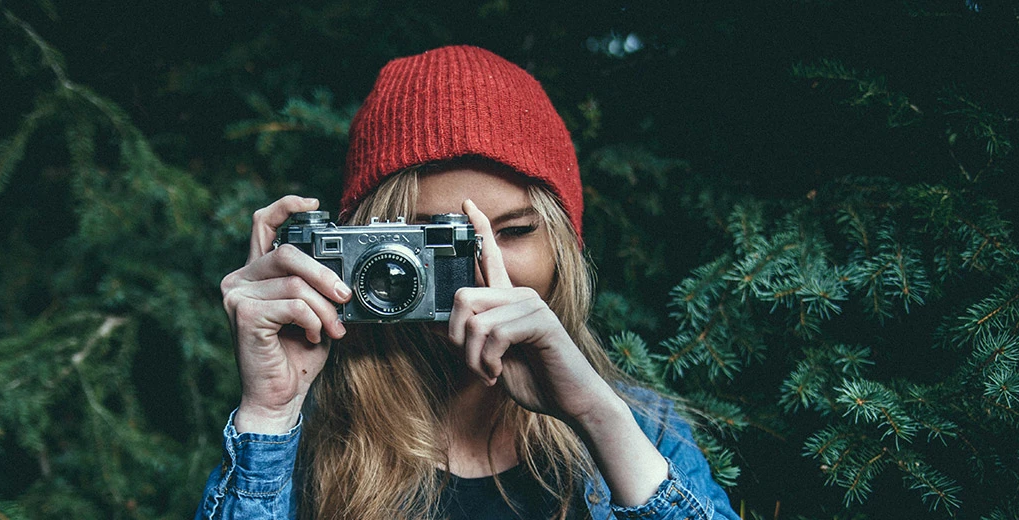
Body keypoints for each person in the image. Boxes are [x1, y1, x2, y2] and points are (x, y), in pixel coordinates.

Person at [197, 45, 740, 520]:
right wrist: (268, 416)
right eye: (434, 242)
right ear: (362, 250)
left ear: (563, 245)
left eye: (514, 231)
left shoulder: (642, 428)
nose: (479, 271)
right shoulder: (301, 436)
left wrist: (598, 417)